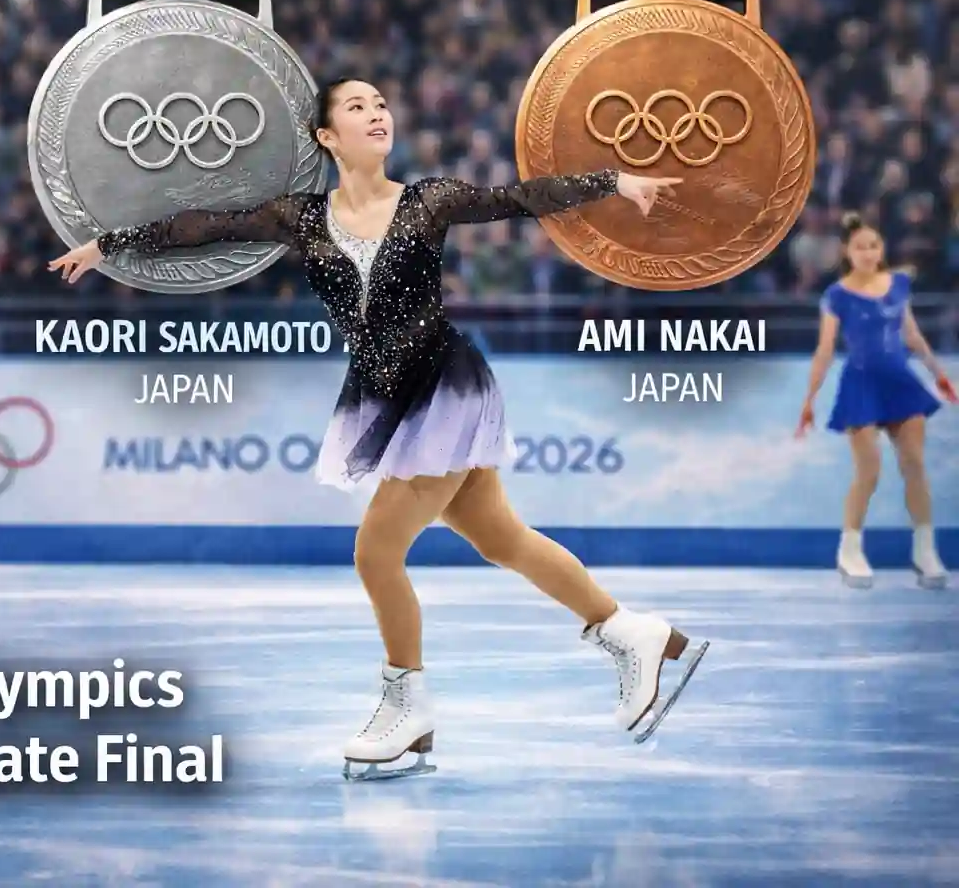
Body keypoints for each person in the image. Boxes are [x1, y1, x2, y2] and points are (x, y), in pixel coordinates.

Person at [50, 78, 707, 778]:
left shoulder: (429, 200)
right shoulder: (300, 217)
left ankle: (407, 703)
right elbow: (207, 225)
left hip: (443, 387)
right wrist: (109, 245)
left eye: (383, 105)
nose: (377, 114)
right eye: (357, 107)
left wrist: (616, 180)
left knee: (375, 551)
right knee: (501, 538)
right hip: (382, 397)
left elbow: (522, 196)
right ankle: (634, 633)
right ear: (326, 137)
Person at [797, 213, 954, 590]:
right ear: (847, 252)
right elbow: (824, 349)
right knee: (869, 471)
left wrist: (939, 374)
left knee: (914, 465)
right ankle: (849, 549)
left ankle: (924, 549)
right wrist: (809, 399)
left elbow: (912, 335)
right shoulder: (836, 295)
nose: (868, 253)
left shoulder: (899, 284)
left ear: (881, 249)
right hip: (861, 385)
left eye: (874, 246)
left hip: (900, 382)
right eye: (860, 247)